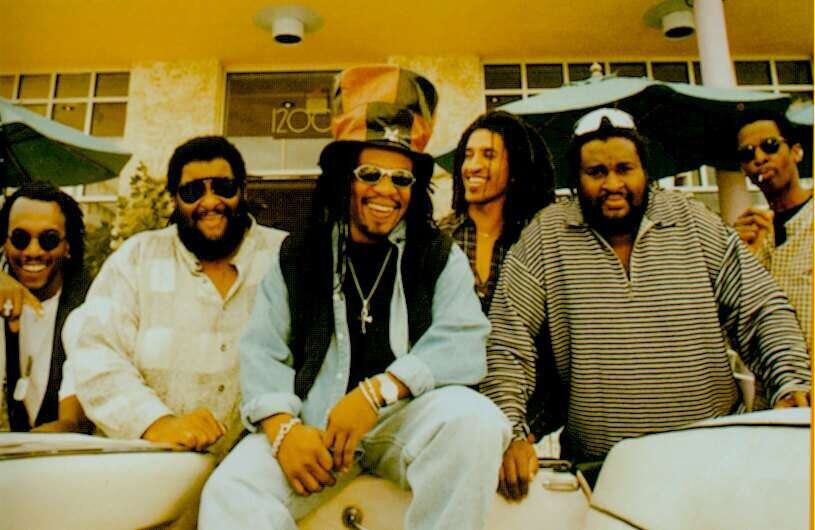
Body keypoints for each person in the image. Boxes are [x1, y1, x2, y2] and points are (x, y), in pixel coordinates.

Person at [199, 65, 510, 530]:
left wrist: (378, 392)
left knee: (476, 421)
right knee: (230, 490)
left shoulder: (437, 255)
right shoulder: (299, 254)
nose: (386, 190)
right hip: (316, 428)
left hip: (405, 422)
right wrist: (283, 430)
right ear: (344, 177)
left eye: (401, 179)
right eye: (370, 174)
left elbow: (464, 341)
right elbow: (263, 351)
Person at [482, 108, 811, 501]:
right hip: (603, 474)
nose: (613, 184)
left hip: (715, 458)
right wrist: (509, 432)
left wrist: (790, 379)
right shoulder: (547, 235)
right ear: (576, 178)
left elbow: (760, 308)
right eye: (596, 172)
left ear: (645, 172)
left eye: (625, 169)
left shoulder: (691, 220)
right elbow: (507, 339)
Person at [65, 136, 286, 458]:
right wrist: (157, 423)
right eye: (193, 191)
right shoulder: (137, 257)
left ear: (243, 190)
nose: (210, 202)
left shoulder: (284, 256)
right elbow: (96, 352)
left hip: (258, 468)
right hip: (151, 466)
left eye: (223, 187)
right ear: (174, 199)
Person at [438, 110, 555, 312]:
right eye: (468, 155)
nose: (473, 166)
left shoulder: (533, 240)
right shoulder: (440, 236)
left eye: (489, 155)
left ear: (515, 167)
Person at [0, 181, 92, 433]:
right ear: (5, 243)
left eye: (48, 239)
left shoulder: (89, 307)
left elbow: (75, 421)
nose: (33, 251)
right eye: (20, 238)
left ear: (68, 246)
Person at [733, 112, 812, 353]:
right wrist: (739, 258)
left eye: (770, 146)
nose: (759, 158)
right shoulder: (751, 234)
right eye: (747, 154)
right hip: (776, 374)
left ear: (796, 152)